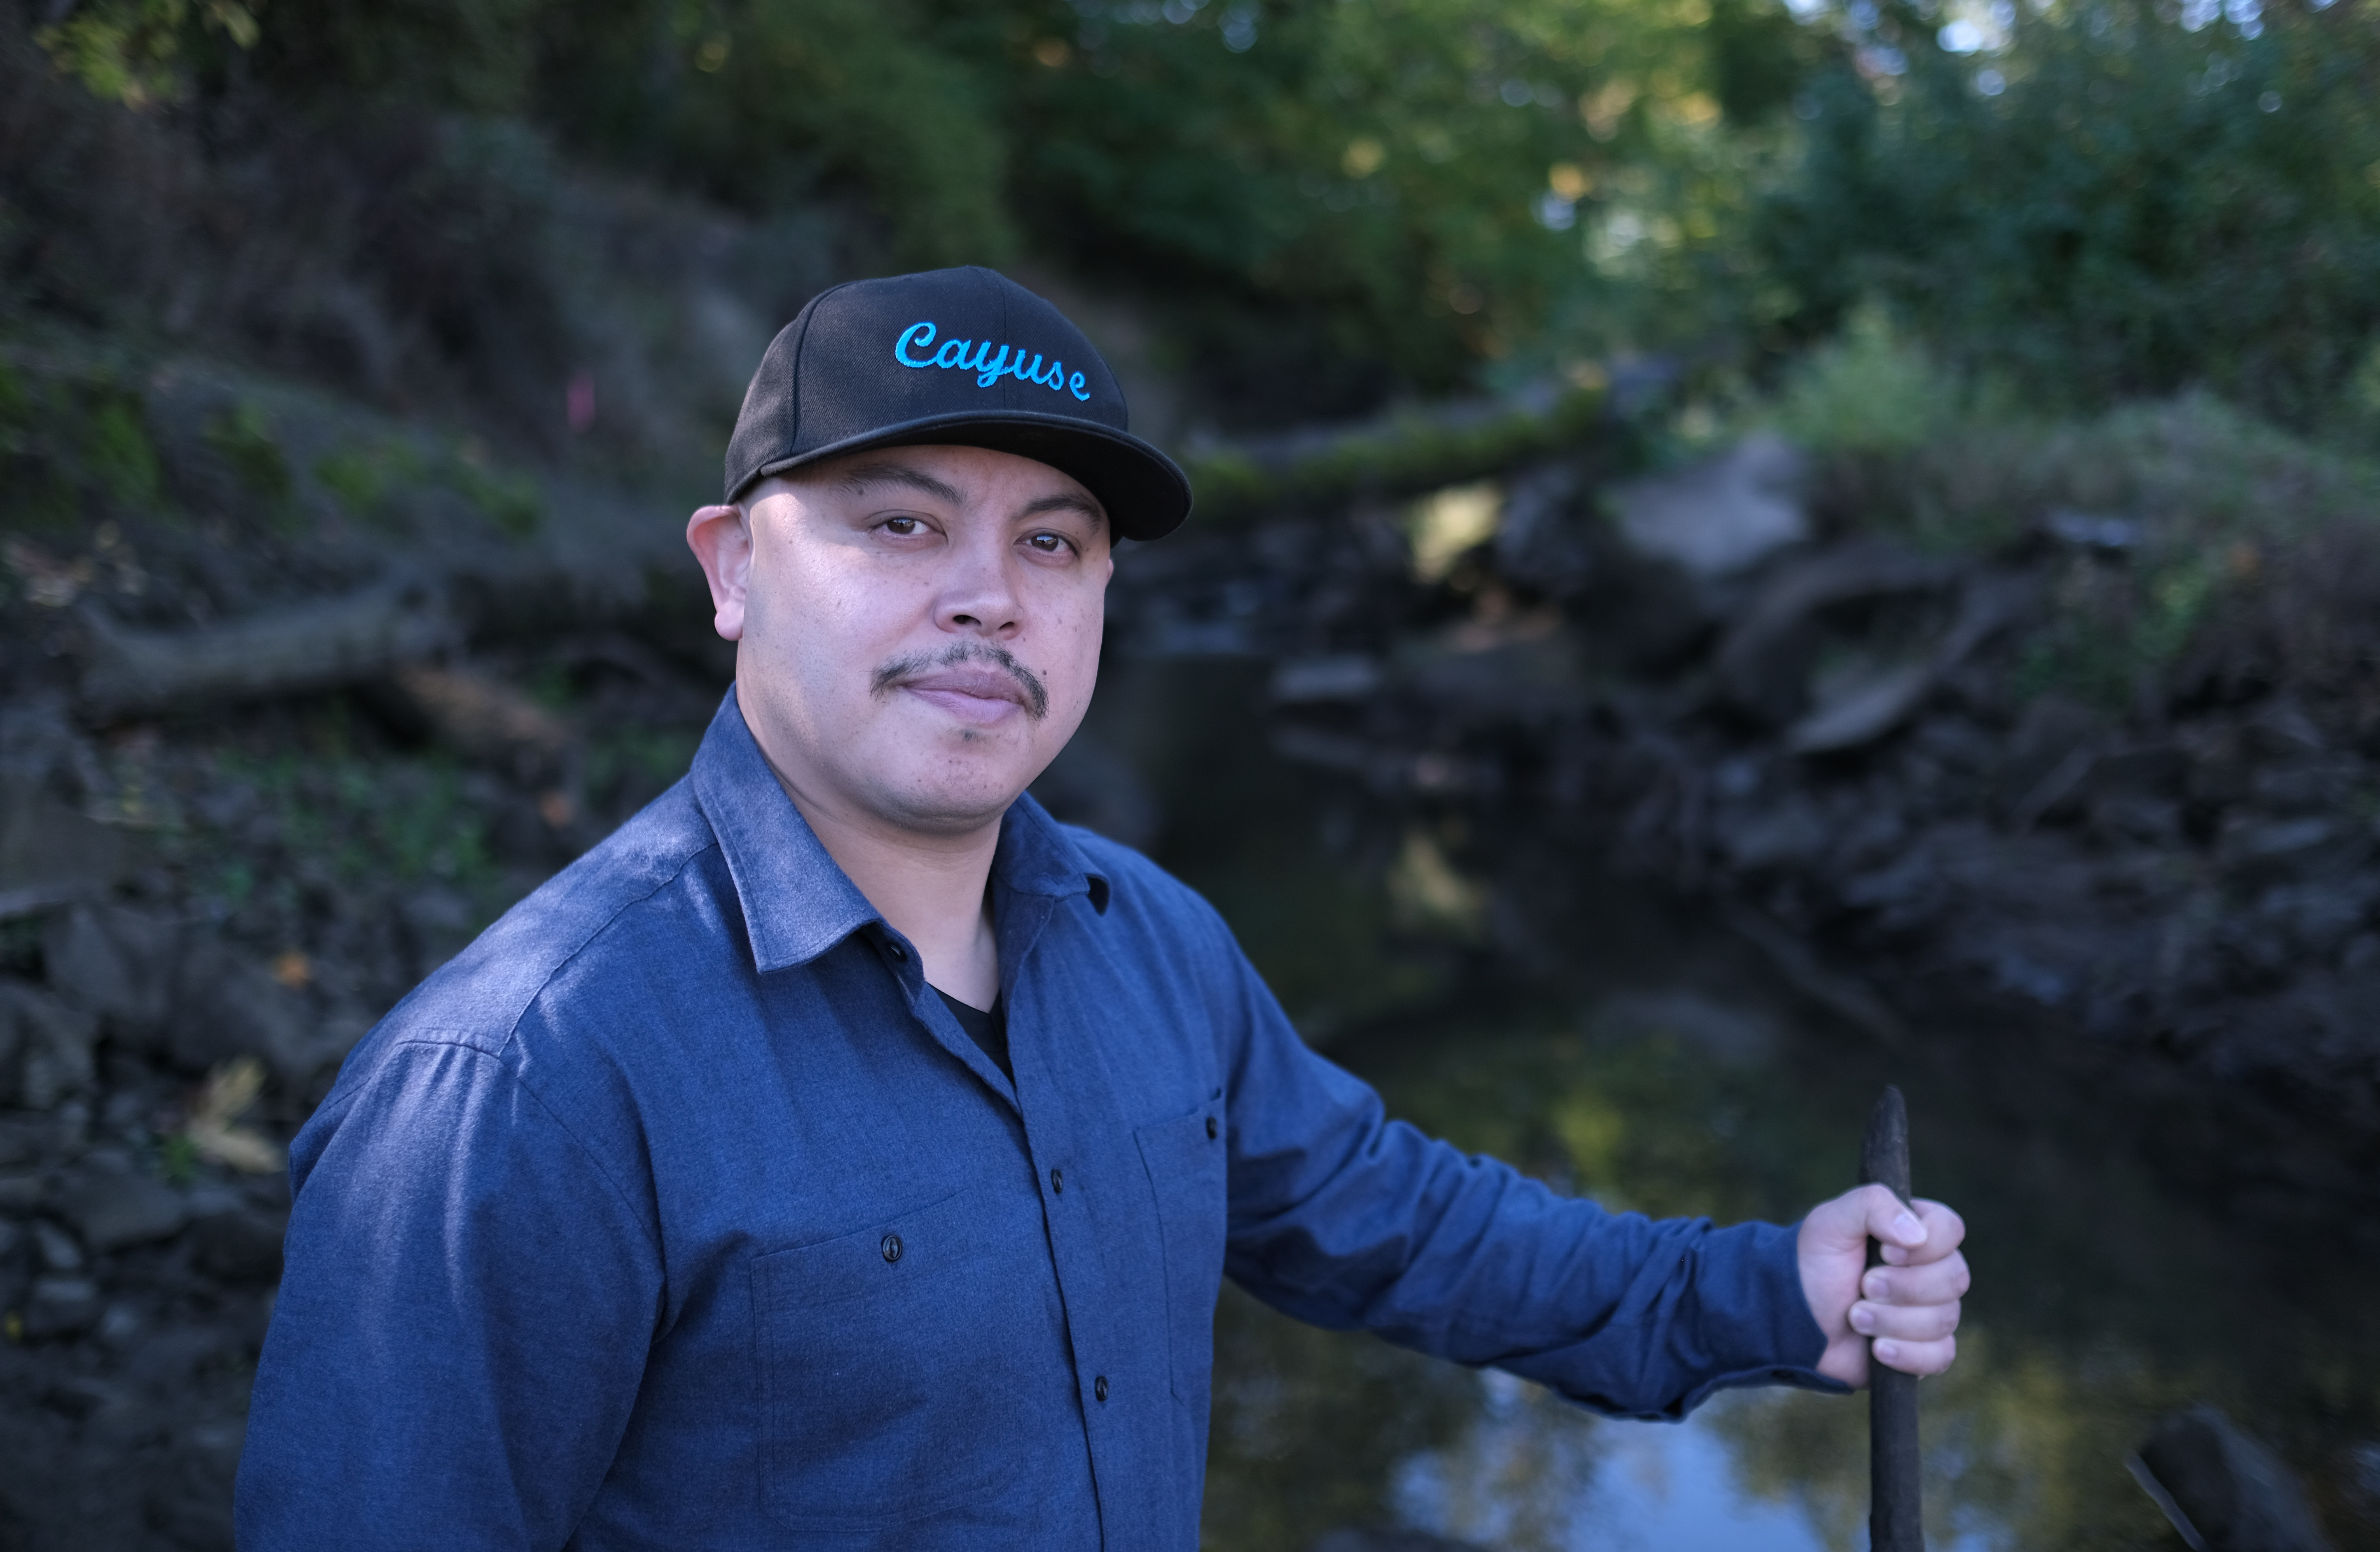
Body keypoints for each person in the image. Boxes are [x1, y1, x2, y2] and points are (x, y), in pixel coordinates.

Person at [234, 266, 1969, 1550]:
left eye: (1054, 544)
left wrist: (1762, 1291)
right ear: (733, 568)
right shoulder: (519, 1085)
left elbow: (1406, 1224)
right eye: (902, 522)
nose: (989, 597)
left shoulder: (1152, 943)